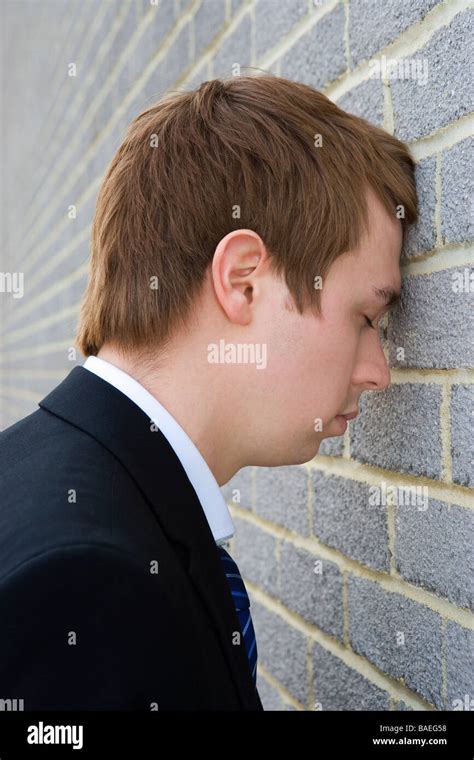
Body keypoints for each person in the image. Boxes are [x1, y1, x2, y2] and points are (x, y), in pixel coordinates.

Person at [0, 76, 418, 710]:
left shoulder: (47, 476)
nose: (378, 372)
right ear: (244, 282)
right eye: (365, 317)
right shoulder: (88, 580)